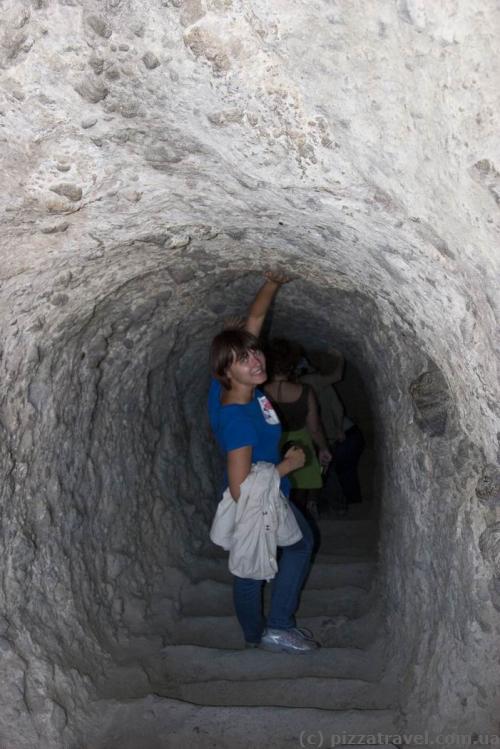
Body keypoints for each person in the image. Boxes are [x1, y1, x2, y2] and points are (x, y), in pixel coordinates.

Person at [208, 271, 320, 653]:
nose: (256, 360)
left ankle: (259, 634)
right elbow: (240, 487)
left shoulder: (235, 387)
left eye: (255, 352)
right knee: (257, 563)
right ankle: (272, 628)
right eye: (244, 358)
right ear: (227, 371)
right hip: (257, 500)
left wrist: (272, 283)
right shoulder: (239, 417)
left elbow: (253, 323)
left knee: (263, 559)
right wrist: (287, 467)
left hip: (273, 494)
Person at [263, 338, 332, 517]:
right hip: (300, 445)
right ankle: (297, 528)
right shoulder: (305, 391)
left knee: (272, 491)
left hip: (272, 443)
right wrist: (324, 448)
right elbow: (315, 428)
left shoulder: (260, 392)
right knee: (299, 493)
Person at [299, 349, 365, 513]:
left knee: (329, 471)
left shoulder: (309, 381)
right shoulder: (316, 384)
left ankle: (340, 506)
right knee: (341, 470)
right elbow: (336, 407)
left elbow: (336, 405)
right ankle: (351, 506)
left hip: (342, 435)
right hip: (346, 434)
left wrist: (337, 429)